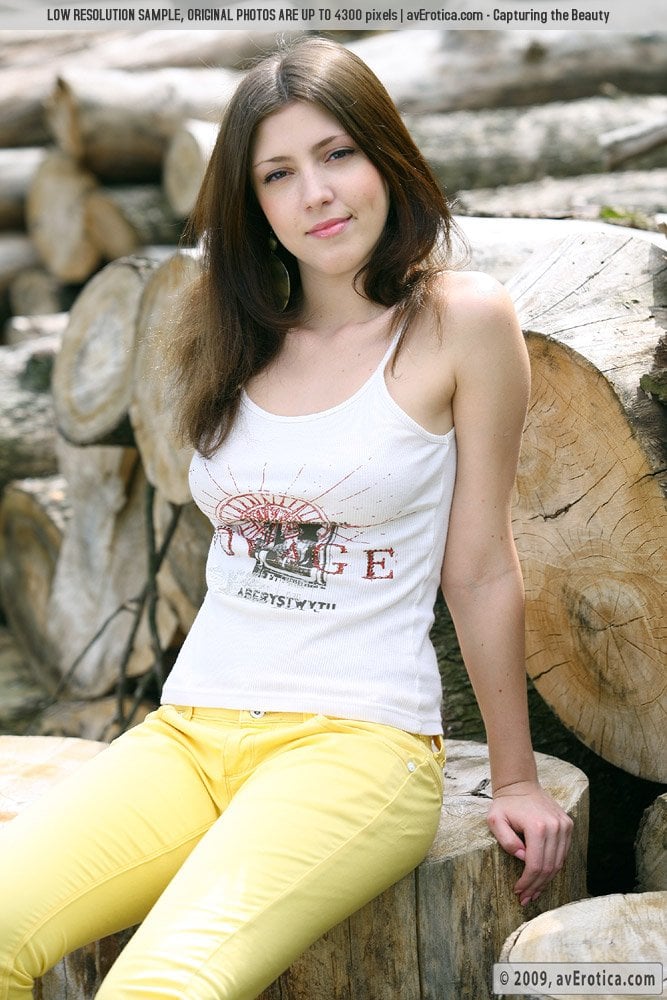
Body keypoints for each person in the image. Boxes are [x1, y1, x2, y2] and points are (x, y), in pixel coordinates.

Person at [0, 36, 573, 1000]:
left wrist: (513, 779)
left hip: (355, 747)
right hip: (188, 731)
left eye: (337, 153)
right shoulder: (230, 336)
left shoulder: (461, 321)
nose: (316, 193)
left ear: (385, 158)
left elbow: (477, 566)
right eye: (278, 173)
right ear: (252, 203)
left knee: (160, 986)